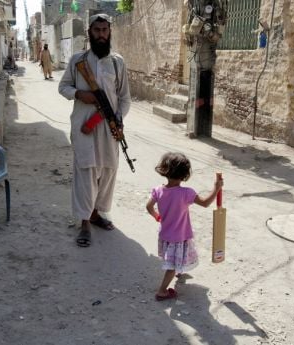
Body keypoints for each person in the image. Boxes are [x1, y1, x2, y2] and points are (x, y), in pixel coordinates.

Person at [58, 13, 131, 247]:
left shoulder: (117, 63)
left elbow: (125, 98)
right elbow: (63, 87)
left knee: (107, 171)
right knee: (85, 173)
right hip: (84, 128)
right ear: (90, 32)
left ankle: (96, 213)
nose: (101, 34)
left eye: (105, 30)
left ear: (109, 32)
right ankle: (84, 222)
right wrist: (80, 94)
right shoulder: (77, 61)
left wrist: (117, 120)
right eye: (97, 30)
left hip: (109, 130)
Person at [146, 152, 223, 301]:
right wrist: (216, 188)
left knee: (173, 258)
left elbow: (149, 206)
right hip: (179, 236)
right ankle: (162, 291)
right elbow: (206, 203)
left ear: (164, 170)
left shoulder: (158, 190)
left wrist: (158, 217)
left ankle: (179, 271)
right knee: (172, 265)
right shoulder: (186, 193)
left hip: (165, 234)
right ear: (185, 174)